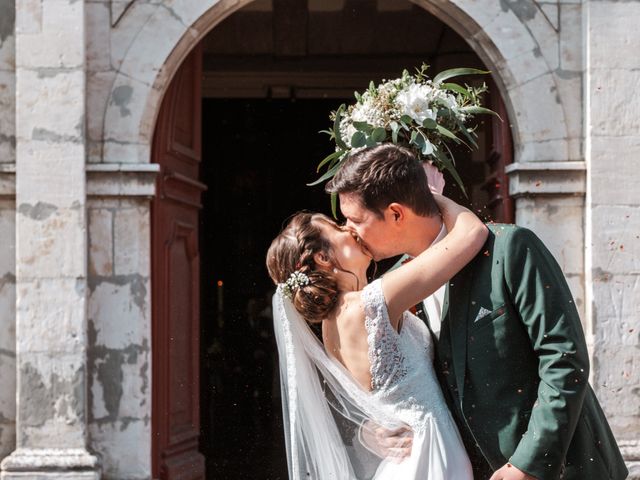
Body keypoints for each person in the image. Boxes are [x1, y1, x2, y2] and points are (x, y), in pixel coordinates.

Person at [325, 143, 629, 480]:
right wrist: (373, 431)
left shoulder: (509, 249)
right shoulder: (393, 287)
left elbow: (564, 358)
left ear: (396, 214)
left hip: (562, 468)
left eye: (355, 219)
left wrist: (528, 463)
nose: (349, 230)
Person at [266, 192, 488, 479]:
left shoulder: (330, 325)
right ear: (323, 257)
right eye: (337, 228)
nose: (348, 228)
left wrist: (368, 432)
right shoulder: (369, 303)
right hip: (426, 452)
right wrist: (430, 197)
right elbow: (472, 233)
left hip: (407, 457)